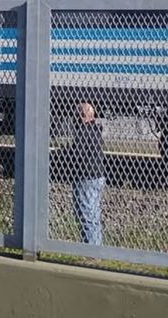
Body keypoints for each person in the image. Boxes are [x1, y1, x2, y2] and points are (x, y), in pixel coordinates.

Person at [70, 102, 106, 245]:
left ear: (82, 116)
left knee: (86, 214)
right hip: (97, 176)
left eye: (76, 114)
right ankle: (95, 246)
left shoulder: (83, 132)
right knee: (93, 214)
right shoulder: (96, 131)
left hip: (86, 177)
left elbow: (76, 154)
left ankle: (91, 249)